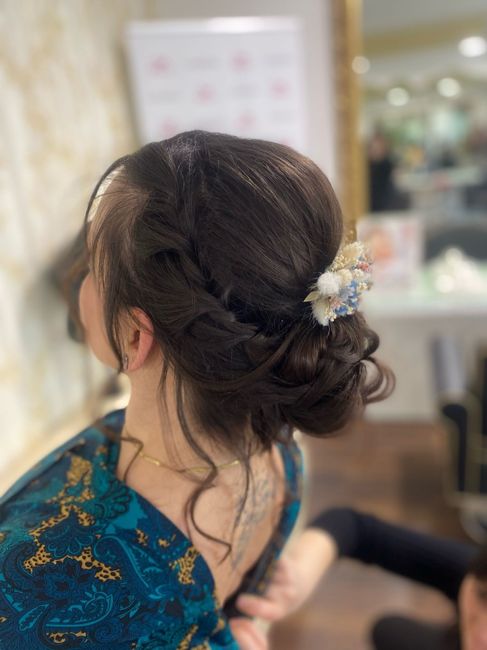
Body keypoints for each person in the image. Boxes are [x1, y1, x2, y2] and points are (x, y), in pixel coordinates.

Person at [0, 131, 391, 648]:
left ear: (134, 336)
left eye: (93, 265)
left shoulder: (39, 582)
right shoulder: (279, 450)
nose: (81, 283)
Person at [231, 506, 487, 650]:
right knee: (389, 630)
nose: (482, 635)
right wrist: (299, 575)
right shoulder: (475, 573)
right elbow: (355, 528)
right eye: (483, 596)